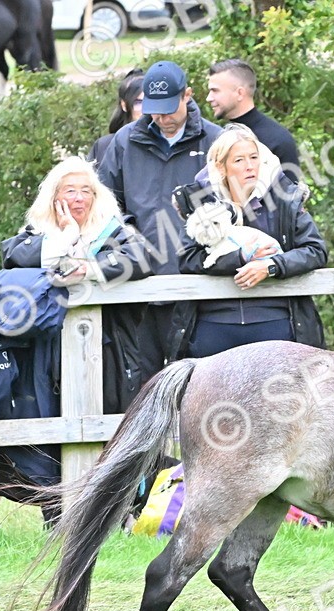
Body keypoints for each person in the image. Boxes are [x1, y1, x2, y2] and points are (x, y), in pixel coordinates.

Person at [0, 156, 152, 538]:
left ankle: (112, 518)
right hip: (44, 356)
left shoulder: (115, 231)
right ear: (54, 196)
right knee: (45, 432)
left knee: (108, 432)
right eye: (69, 190)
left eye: (86, 190)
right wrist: (63, 238)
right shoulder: (36, 233)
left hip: (107, 353)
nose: (78, 198)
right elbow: (13, 257)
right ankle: (54, 520)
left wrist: (89, 268)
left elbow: (141, 259)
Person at [98, 60, 221, 376]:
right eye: (155, 110)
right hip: (140, 285)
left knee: (198, 383)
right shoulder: (124, 141)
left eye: (169, 109)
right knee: (144, 385)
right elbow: (107, 208)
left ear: (188, 95)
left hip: (200, 284)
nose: (162, 118)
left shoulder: (216, 141)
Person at [167, 124, 325, 361]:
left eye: (254, 157)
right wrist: (240, 258)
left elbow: (315, 251)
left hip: (274, 317)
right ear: (221, 167)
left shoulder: (285, 198)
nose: (249, 166)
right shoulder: (200, 202)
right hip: (214, 320)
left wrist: (271, 266)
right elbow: (187, 259)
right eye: (239, 160)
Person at [206, 59, 300, 178]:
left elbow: (289, 194)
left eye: (215, 91)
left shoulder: (278, 141)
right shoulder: (217, 137)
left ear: (240, 93)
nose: (209, 98)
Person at [87, 68, 144, 166]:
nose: (145, 109)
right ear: (124, 105)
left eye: (150, 102)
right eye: (138, 102)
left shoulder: (165, 143)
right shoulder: (105, 146)